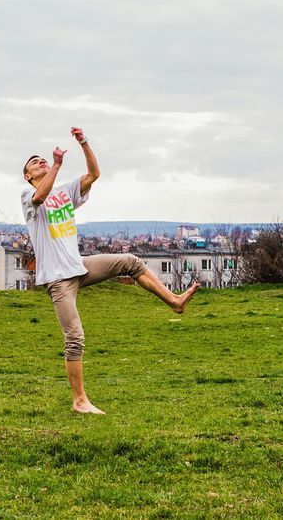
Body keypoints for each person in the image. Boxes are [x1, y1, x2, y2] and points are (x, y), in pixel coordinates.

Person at [22, 127, 201, 414]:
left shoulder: (64, 192)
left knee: (129, 261)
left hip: (78, 267)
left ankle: (175, 301)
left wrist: (84, 143)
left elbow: (94, 174)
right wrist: (56, 164)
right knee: (75, 336)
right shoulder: (27, 195)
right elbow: (40, 197)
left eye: (43, 159)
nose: (40, 161)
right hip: (58, 280)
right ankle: (79, 400)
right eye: (34, 162)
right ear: (28, 176)